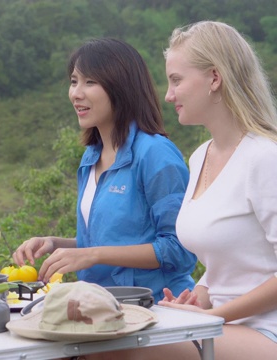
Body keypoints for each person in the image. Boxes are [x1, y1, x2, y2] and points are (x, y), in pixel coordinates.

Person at [83, 20, 277, 360]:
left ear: (214, 78)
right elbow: (225, 267)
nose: (169, 95)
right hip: (221, 322)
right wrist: (199, 297)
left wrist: (213, 315)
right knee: (79, 341)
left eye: (176, 80)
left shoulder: (265, 157)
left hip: (264, 329)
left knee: (115, 349)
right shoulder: (200, 156)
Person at [12, 38, 197, 302]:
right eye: (74, 81)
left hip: (156, 306)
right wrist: (55, 243)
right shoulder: (91, 157)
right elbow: (111, 242)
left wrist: (91, 255)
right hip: (101, 307)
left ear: (121, 88)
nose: (76, 93)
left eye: (90, 82)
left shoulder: (155, 153)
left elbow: (179, 249)